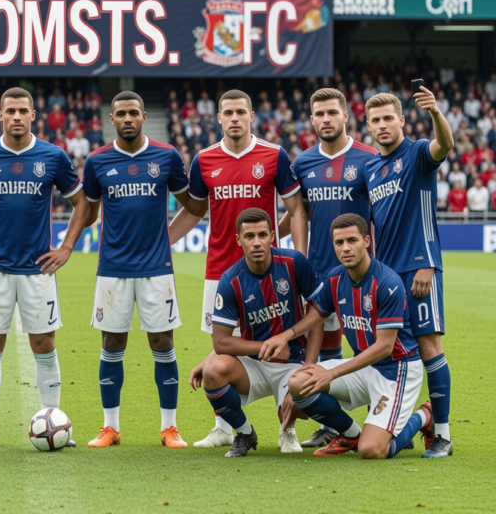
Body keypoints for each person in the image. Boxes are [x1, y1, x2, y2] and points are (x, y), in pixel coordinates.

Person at [0, 87, 89, 448]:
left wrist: (67, 247)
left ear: (32, 116)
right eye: (9, 110)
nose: (16, 116)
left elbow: (81, 203)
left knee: (44, 343)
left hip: (38, 270)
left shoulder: (53, 156)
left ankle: (52, 418)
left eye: (22, 110)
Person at [169, 89, 308, 451]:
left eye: (240, 112)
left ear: (251, 116)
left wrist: (301, 258)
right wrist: (163, 240)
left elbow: (295, 207)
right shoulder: (203, 159)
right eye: (227, 112)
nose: (234, 118)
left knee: (284, 344)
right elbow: (195, 210)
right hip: (220, 270)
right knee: (222, 350)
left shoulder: (273, 155)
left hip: (270, 271)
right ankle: (226, 427)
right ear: (218, 118)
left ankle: (287, 427)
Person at [82, 91, 201, 448]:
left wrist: (167, 237)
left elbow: (195, 205)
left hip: (156, 270)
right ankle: (110, 427)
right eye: (121, 113)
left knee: (163, 342)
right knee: (112, 343)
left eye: (134, 112)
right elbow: (86, 212)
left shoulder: (166, 156)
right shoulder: (96, 161)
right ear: (112, 119)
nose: (128, 118)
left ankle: (169, 428)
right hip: (112, 269)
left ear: (144, 116)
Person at [261, 214, 433, 459]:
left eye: (352, 240)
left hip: (396, 370)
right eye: (339, 243)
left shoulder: (388, 283)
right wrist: (285, 336)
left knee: (373, 450)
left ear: (366, 240)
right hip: (363, 366)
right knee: (298, 383)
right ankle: (351, 434)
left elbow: (385, 347)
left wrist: (331, 373)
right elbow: (318, 314)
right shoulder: (335, 278)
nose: (346, 248)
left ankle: (425, 415)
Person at [281, 88, 378, 448]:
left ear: (345, 116)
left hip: (361, 274)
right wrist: (298, 256)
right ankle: (335, 425)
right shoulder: (303, 162)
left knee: (367, 343)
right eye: (319, 113)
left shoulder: (368, 158)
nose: (326, 119)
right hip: (321, 271)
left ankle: (378, 419)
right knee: (326, 350)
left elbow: (379, 215)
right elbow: (298, 213)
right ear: (311, 119)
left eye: (332, 113)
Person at [363, 90, 454, 457]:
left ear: (401, 120)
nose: (383, 125)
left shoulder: (417, 153)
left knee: (430, 346)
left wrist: (435, 112)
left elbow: (444, 145)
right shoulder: (370, 169)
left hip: (419, 269)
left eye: (389, 118)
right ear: (368, 126)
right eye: (376, 120)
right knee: (396, 350)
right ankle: (403, 421)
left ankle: (442, 435)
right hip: (386, 277)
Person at [199, 208, 321, 457]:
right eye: (249, 236)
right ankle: (244, 433)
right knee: (212, 371)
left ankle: (288, 429)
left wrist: (308, 368)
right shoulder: (230, 280)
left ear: (272, 236)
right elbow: (221, 342)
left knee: (308, 400)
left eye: (262, 235)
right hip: (253, 365)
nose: (256, 242)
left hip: (292, 362)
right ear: (238, 240)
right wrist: (266, 345)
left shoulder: (294, 262)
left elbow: (319, 315)